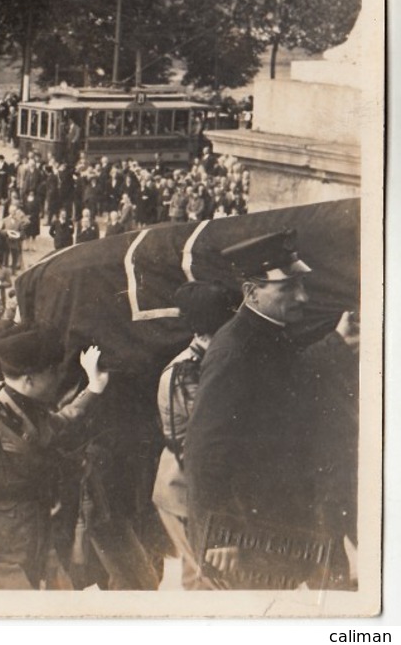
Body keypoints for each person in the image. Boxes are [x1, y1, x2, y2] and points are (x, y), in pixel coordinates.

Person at [183, 231, 360, 589]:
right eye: (288, 288)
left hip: (283, 520)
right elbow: (204, 452)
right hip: (250, 535)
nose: (303, 297)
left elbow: (289, 378)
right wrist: (221, 537)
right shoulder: (234, 351)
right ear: (251, 293)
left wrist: (336, 342)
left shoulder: (268, 333)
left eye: (302, 284)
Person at [0, 326, 110, 590]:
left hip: (39, 543)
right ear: (29, 379)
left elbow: (58, 424)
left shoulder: (28, 408)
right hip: (1, 557)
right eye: (53, 372)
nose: (59, 378)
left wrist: (94, 389)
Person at [152, 280, 239, 589]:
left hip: (196, 483)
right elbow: (199, 438)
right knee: (209, 577)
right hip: (184, 484)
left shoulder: (209, 361)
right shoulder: (185, 372)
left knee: (202, 578)